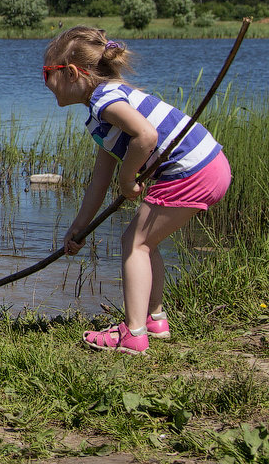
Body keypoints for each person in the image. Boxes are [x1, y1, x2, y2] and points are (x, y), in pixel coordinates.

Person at [45, 27, 230, 354]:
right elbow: (100, 178)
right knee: (145, 242)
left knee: (135, 243)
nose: (44, 81)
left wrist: (128, 179)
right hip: (208, 165)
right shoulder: (102, 110)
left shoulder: (106, 101)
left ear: (71, 73)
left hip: (192, 168)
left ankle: (133, 334)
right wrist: (80, 226)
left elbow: (146, 136)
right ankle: (154, 320)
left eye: (47, 73)